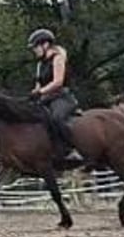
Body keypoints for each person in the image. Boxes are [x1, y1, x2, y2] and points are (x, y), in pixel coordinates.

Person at [27, 28, 82, 162]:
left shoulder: (57, 58)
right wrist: (35, 93)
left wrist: (41, 92)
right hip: (46, 99)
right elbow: (39, 83)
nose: (34, 50)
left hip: (62, 97)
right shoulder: (40, 64)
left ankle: (71, 150)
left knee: (57, 118)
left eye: (36, 47)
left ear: (45, 45)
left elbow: (58, 82)